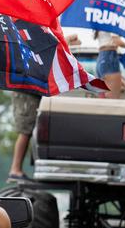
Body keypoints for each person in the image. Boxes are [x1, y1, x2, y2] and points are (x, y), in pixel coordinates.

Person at [7, 33, 81, 181]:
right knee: (25, 130)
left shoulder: (34, 32)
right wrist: (65, 41)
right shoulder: (25, 33)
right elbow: (41, 50)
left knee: (32, 129)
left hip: (33, 89)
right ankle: (15, 170)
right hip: (25, 89)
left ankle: (20, 168)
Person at [95, 31, 125, 99]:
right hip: (110, 56)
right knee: (112, 102)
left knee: (103, 99)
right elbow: (117, 41)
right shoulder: (113, 21)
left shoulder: (99, 24)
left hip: (101, 58)